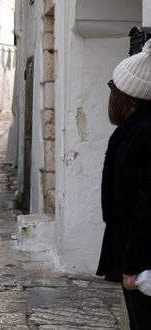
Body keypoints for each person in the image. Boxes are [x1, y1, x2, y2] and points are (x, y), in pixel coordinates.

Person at [97, 39, 151, 329]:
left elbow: (146, 202)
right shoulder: (135, 129)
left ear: (127, 95)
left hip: (142, 260)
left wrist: (133, 264)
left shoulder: (144, 132)